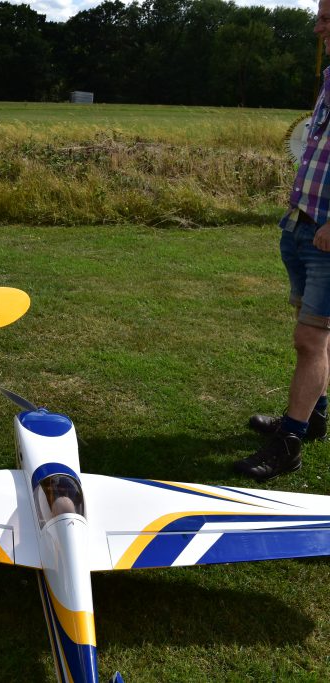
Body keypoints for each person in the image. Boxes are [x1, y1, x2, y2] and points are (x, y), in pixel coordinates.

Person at [234, 2, 330, 482]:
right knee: (312, 330)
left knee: (310, 338)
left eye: (328, 17)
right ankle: (313, 417)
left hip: (329, 233)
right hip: (301, 225)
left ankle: (288, 445)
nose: (317, 26)